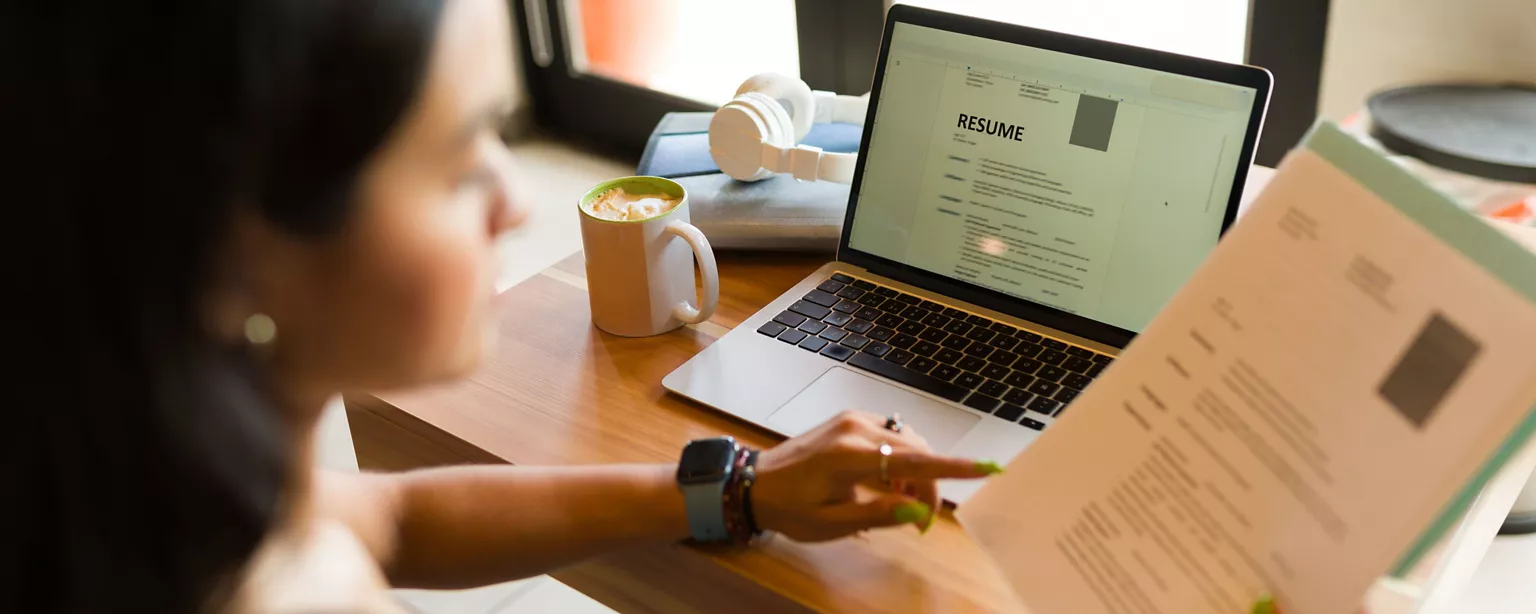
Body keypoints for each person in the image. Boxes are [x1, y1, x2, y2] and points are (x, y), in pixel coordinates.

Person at [11, 0, 1002, 612]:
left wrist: (739, 485)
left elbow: (384, 516)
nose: (516, 198)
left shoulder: (174, 491)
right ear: (237, 244)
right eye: (457, 160)